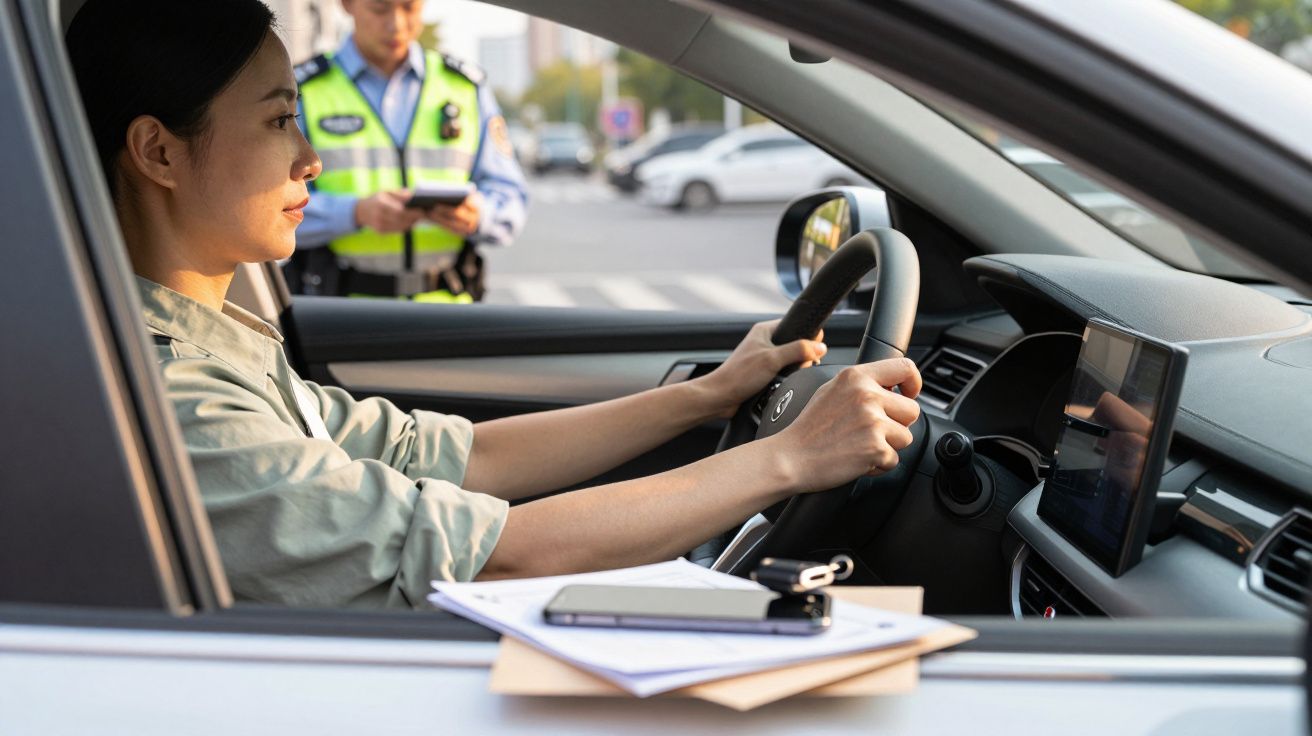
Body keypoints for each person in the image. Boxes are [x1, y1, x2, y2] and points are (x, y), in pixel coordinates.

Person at [66, 0, 923, 609]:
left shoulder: (218, 350)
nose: (312, 158)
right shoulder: (178, 399)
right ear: (159, 152)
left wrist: (700, 398)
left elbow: (450, 455)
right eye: (280, 120)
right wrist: (788, 459)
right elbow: (499, 560)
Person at [282, 0, 528, 302]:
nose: (396, 24)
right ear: (347, 5)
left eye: (409, 7)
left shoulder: (465, 88)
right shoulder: (302, 91)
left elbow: (511, 199)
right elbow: (269, 209)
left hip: (451, 310)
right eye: (380, 8)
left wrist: (478, 215)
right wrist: (356, 213)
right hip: (343, 314)